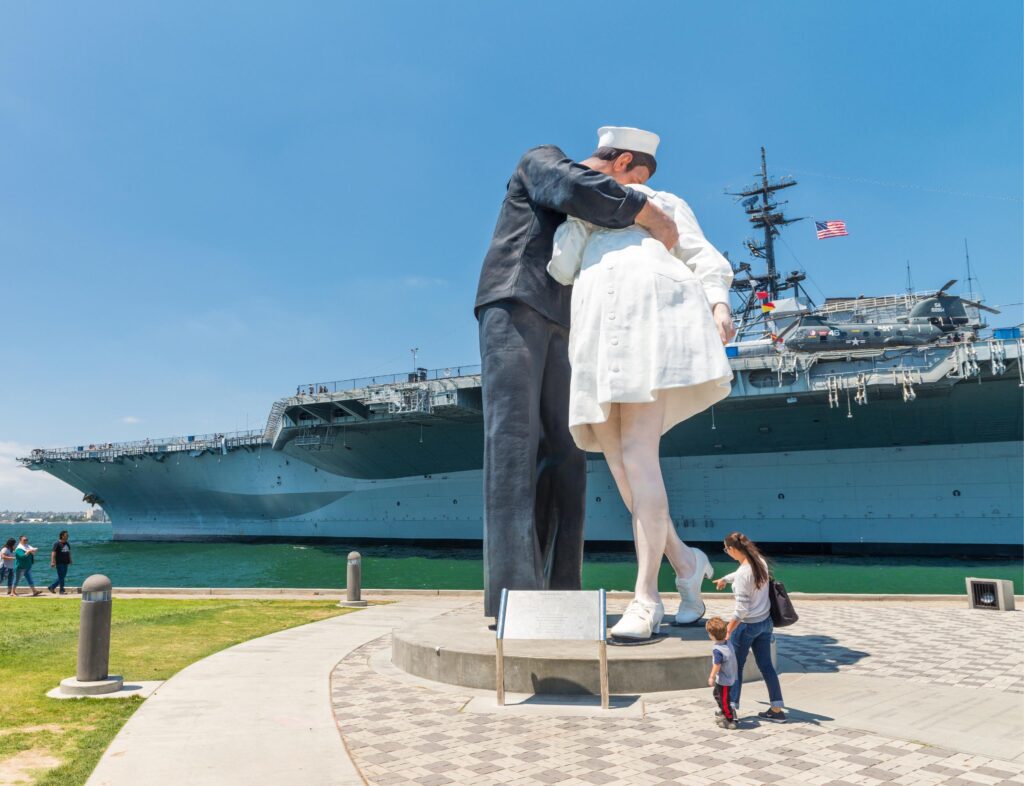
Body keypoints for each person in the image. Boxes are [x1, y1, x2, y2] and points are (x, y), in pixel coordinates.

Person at [474, 127, 681, 618]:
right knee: (513, 445)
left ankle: (563, 590)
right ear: (621, 161)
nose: (636, 192)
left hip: (568, 320)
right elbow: (577, 187)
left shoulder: (599, 209)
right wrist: (652, 214)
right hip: (515, 301)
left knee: (568, 452)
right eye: (635, 180)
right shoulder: (542, 159)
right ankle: (515, 600)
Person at [547, 126, 735, 639]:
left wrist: (719, 303)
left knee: (638, 459)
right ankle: (688, 564)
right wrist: (576, 216)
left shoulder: (664, 202)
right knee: (625, 473)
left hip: (649, 330)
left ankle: (646, 596)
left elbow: (701, 255)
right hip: (597, 339)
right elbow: (561, 268)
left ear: (625, 162)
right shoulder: (586, 214)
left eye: (601, 160)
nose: (589, 168)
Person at [715, 531, 787, 722]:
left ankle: (730, 709)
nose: (727, 552)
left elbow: (741, 610)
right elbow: (742, 574)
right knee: (767, 666)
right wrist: (725, 579)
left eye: (726, 549)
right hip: (765, 623)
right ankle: (777, 709)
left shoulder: (743, 574)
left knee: (735, 667)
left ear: (732, 549)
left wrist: (728, 629)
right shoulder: (760, 562)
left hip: (746, 626)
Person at [706, 616, 738, 730]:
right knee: (717, 694)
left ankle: (729, 720)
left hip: (724, 680)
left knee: (724, 700)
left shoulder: (717, 650)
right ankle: (724, 711)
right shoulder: (727, 642)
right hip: (731, 676)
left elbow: (717, 665)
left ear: (712, 636)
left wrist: (711, 677)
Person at [48, 530, 72, 594]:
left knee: (62, 576)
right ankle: (62, 590)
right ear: (62, 536)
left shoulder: (67, 543)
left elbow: (69, 552)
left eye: (67, 535)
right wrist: (52, 562)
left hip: (66, 562)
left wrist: (70, 560)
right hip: (59, 562)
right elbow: (53, 553)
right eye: (66, 535)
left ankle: (52, 587)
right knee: (61, 576)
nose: (67, 536)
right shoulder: (57, 544)